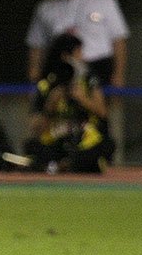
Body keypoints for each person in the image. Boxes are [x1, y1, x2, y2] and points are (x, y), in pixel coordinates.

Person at [25, 0, 129, 88]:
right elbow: (36, 45)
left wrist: (118, 77)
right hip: (59, 70)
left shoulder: (104, 0)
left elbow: (119, 40)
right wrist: (33, 78)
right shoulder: (45, 6)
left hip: (97, 69)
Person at [24, 32, 114, 173]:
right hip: (57, 138)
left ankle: (61, 165)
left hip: (85, 138)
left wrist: (83, 99)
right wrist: (51, 104)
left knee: (103, 147)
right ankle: (64, 165)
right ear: (66, 56)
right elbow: (36, 128)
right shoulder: (47, 84)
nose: (82, 57)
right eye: (79, 53)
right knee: (32, 147)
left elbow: (102, 112)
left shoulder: (89, 80)